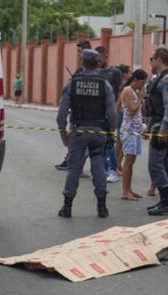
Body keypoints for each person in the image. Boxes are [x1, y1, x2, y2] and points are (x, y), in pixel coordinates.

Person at [56, 49, 116, 218]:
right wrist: (111, 134)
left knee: (74, 169)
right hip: (98, 133)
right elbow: (112, 114)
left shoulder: (72, 84)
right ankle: (102, 207)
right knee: (98, 169)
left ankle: (67, 207)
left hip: (78, 132)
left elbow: (61, 115)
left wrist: (63, 134)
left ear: (82, 62)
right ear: (97, 63)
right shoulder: (105, 85)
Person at [145, 47, 168, 216]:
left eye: (152, 58)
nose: (150, 61)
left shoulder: (167, 80)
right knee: (165, 164)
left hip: (163, 128)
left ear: (159, 59)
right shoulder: (160, 79)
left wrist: (163, 129)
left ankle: (166, 202)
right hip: (159, 125)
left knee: (155, 164)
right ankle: (164, 200)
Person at [55, 40, 92, 171]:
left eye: (80, 52)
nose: (78, 55)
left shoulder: (92, 72)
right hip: (77, 113)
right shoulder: (79, 70)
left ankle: (76, 165)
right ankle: (72, 162)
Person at [95, 46, 123, 183]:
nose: (98, 61)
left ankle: (113, 170)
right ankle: (104, 169)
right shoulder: (95, 72)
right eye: (96, 59)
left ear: (106, 56)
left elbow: (119, 92)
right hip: (98, 113)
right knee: (100, 142)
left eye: (100, 58)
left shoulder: (115, 72)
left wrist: (116, 110)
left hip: (111, 112)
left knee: (110, 142)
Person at [120, 69, 148, 201]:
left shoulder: (135, 92)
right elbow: (132, 110)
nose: (143, 85)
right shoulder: (127, 91)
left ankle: (129, 189)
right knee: (128, 160)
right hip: (129, 130)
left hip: (135, 130)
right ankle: (125, 191)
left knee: (132, 161)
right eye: (142, 82)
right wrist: (141, 98)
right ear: (136, 80)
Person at [116, 64, 132, 176]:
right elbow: (118, 102)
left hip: (122, 114)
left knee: (121, 141)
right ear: (124, 74)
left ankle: (118, 164)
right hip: (123, 114)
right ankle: (117, 165)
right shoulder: (123, 86)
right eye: (129, 72)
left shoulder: (123, 85)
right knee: (121, 142)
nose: (130, 74)